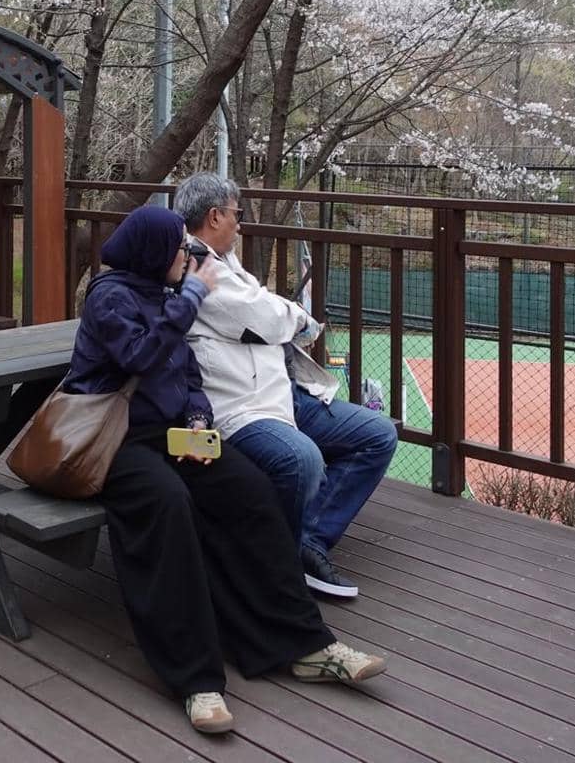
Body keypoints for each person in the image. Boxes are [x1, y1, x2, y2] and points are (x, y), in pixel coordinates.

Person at [65, 205, 386, 735]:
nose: (187, 256)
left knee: (250, 493)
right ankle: (195, 679)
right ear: (149, 252)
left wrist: (197, 414)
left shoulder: (162, 294)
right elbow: (142, 357)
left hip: (174, 434)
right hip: (115, 440)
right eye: (176, 247)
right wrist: (192, 297)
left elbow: (185, 372)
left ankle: (306, 645)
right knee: (168, 505)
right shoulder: (110, 297)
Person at [172, 173, 399, 599]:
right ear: (215, 216)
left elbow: (261, 312)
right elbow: (268, 316)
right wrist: (299, 319)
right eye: (237, 214)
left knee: (377, 434)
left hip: (282, 395)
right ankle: (278, 561)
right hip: (239, 407)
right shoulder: (195, 265)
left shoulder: (223, 261)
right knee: (302, 459)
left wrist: (276, 318)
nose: (241, 223)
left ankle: (308, 542)